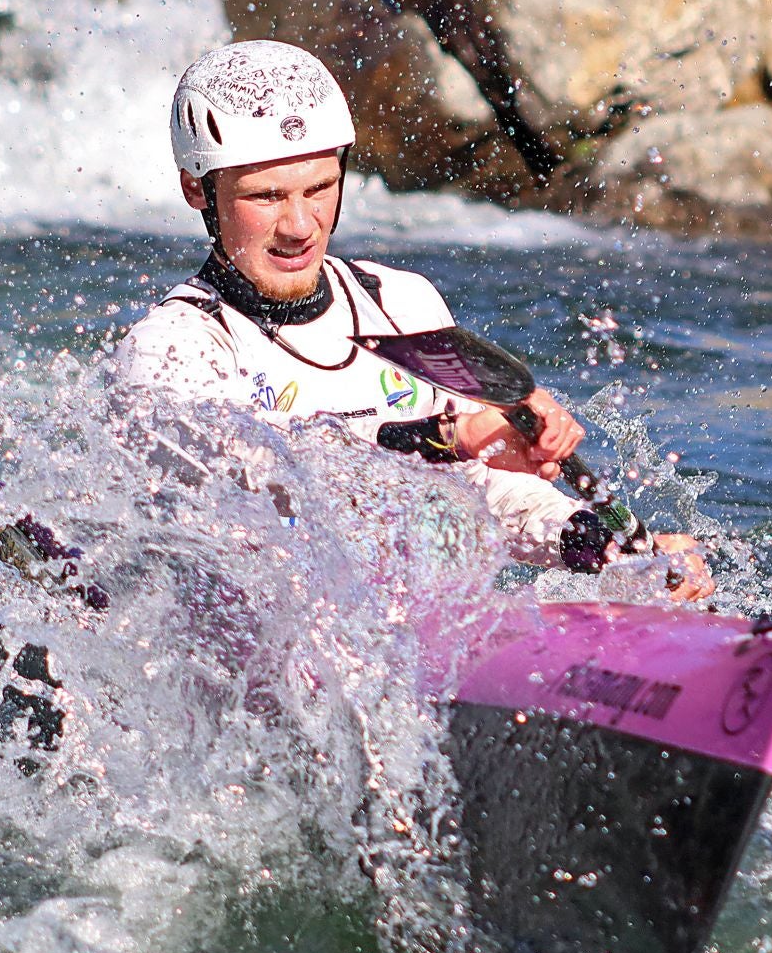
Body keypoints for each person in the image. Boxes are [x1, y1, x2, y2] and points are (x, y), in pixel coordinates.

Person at [113, 39, 714, 596]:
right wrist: (448, 439)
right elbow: (271, 482)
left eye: (319, 188)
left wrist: (595, 542)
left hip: (403, 629)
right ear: (198, 191)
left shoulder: (400, 302)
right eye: (266, 197)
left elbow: (481, 493)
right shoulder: (171, 349)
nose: (300, 226)